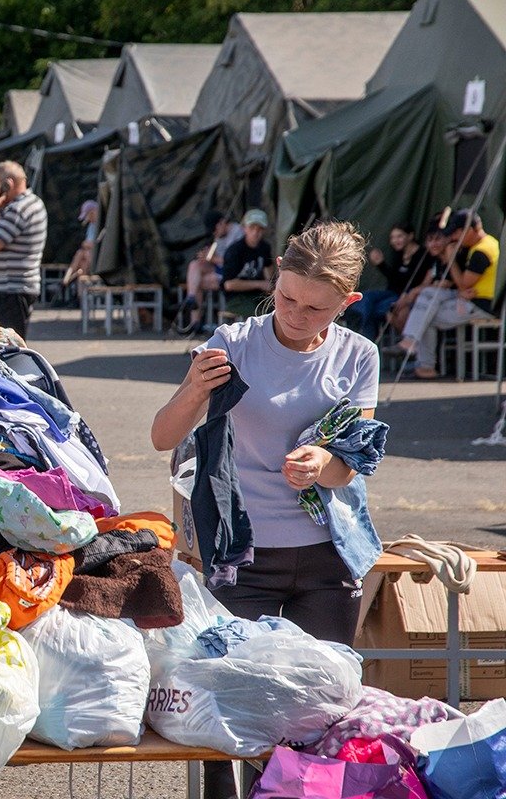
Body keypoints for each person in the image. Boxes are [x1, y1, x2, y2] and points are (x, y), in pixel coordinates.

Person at [152, 220, 381, 799]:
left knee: (319, 709)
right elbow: (163, 436)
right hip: (242, 556)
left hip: (329, 557)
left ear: (348, 302)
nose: (295, 316)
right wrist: (193, 391)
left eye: (315, 309)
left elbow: (351, 463)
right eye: (286, 298)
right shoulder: (233, 343)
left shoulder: (359, 356)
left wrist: (321, 465)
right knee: (230, 704)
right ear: (276, 273)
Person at [389, 209, 499, 379]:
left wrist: (450, 259)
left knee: (425, 315)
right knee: (427, 300)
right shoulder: (476, 247)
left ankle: (423, 361)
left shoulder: (482, 251)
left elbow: (463, 284)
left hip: (481, 304)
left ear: (470, 230)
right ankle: (416, 352)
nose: (454, 237)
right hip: (467, 298)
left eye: (456, 232)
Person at [0, 160, 48, 339]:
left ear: (7, 184)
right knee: (3, 346)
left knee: (9, 349)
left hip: (14, 289)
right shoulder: (13, 207)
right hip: (6, 288)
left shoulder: (20, 208)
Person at [346, 221, 436, 341]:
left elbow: (409, 282)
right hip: (392, 292)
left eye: (399, 236)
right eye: (393, 237)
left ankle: (365, 338)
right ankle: (357, 323)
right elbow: (395, 279)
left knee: (374, 309)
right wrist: (380, 264)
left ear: (410, 236)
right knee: (366, 297)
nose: (395, 241)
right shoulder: (399, 254)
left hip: (407, 295)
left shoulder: (423, 255)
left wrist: (382, 265)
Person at [182, 210, 244, 333]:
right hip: (218, 269)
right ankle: (191, 300)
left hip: (231, 273)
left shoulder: (238, 233)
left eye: (215, 230)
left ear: (222, 223)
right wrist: (206, 256)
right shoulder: (218, 237)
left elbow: (234, 262)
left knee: (196, 283)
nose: (214, 233)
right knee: (195, 265)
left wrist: (213, 259)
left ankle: (195, 320)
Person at [386, 216, 446, 335]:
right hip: (412, 295)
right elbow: (427, 281)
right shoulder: (434, 260)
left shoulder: (437, 257)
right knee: (389, 314)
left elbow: (442, 283)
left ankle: (409, 344)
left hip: (434, 300)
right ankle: (407, 343)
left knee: (404, 313)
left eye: (437, 240)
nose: (432, 244)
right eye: (429, 240)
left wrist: (411, 294)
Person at [219, 209, 274, 320]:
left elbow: (269, 272)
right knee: (259, 315)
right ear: (244, 228)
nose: (255, 232)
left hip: (258, 296)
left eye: (259, 229)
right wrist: (259, 284)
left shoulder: (264, 247)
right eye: (252, 228)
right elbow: (229, 285)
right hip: (236, 298)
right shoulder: (234, 251)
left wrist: (271, 285)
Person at [61, 198, 101, 288]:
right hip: (89, 255)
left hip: (98, 259)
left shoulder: (102, 225)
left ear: (93, 212)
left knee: (82, 256)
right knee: (82, 263)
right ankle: (79, 296)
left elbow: (93, 244)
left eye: (88, 215)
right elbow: (88, 243)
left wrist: (87, 245)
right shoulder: (91, 226)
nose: (88, 219)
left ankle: (66, 280)